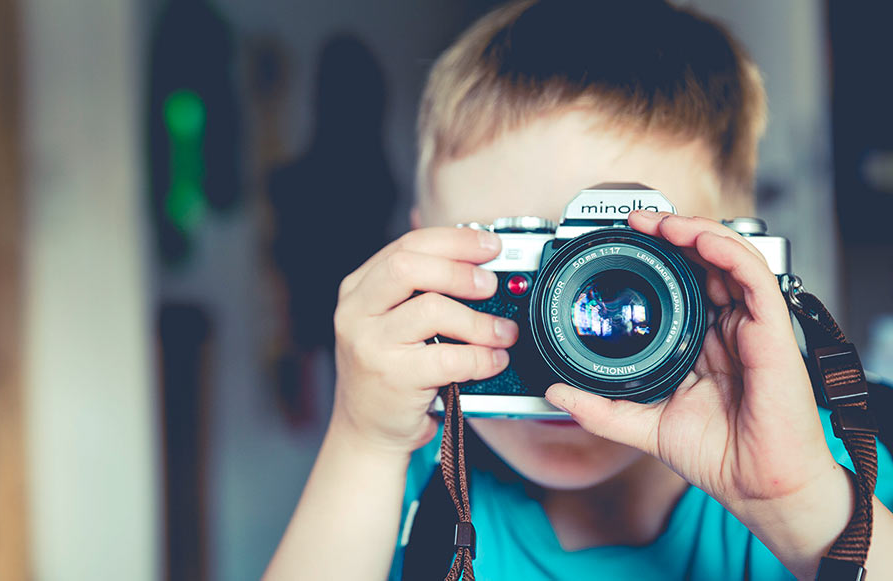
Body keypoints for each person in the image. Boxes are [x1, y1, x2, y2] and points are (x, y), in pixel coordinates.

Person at [264, 1, 893, 579]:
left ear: (733, 264)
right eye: (526, 271)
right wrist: (364, 440)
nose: (565, 337)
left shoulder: (827, 465)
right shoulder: (415, 476)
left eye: (631, 268)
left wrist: (801, 507)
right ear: (423, 258)